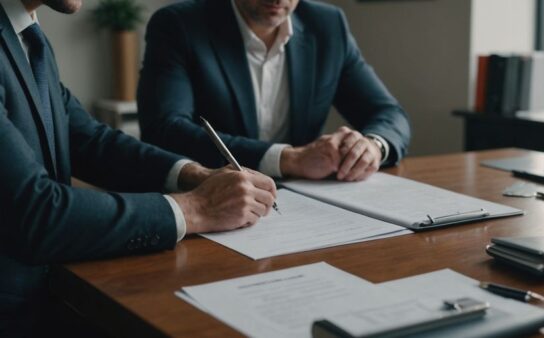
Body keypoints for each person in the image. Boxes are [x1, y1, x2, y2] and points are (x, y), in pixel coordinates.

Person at [0, 0, 277, 335]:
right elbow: (37, 213)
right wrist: (198, 208)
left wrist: (194, 175)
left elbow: (90, 140)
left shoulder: (24, 32)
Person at [137, 0, 411, 182]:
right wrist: (288, 159)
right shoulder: (178, 24)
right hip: (209, 195)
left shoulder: (328, 25)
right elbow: (165, 129)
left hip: (308, 201)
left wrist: (373, 146)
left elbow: (387, 113)